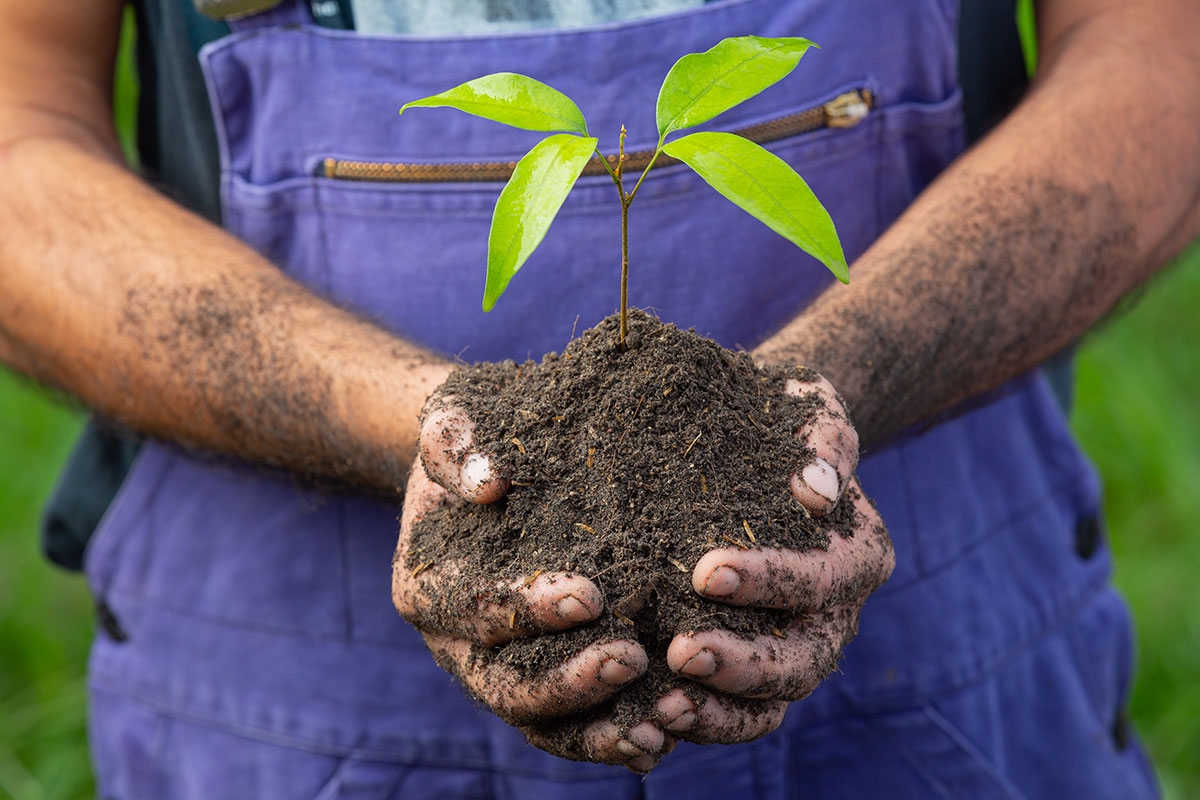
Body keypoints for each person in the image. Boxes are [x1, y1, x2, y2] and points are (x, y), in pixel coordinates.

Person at [1, 0, 1197, 796]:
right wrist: (412, 417)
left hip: (938, 659)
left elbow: (1164, 55)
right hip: (288, 678)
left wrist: (837, 378)